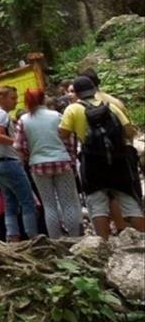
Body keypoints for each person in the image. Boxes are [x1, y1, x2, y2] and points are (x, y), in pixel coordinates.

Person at [60, 75, 144, 238]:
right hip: (118, 160)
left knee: (97, 204)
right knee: (129, 200)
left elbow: (63, 134)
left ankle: (102, 244)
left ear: (76, 93)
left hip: (92, 162)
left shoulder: (73, 109)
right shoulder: (110, 106)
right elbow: (129, 131)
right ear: (93, 89)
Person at [15, 88, 82, 237]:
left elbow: (20, 147)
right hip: (61, 161)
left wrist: (30, 157)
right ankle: (75, 238)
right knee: (68, 202)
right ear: (43, 99)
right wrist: (71, 159)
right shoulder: (56, 116)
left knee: (49, 205)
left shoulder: (24, 120)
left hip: (38, 164)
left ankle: (55, 240)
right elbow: (69, 140)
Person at [0, 86, 38, 241]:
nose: (16, 102)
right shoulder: (1, 114)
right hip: (9, 162)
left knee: (10, 203)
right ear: (1, 98)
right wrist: (17, 142)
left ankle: (13, 238)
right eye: (13, 98)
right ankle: (33, 238)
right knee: (27, 201)